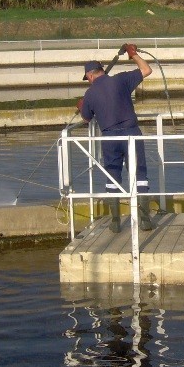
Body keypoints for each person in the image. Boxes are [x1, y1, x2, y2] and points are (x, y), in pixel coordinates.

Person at [76, 43, 154, 233]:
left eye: (87, 79)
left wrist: (81, 106)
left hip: (110, 138)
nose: (88, 81)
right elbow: (146, 69)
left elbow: (86, 118)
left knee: (113, 176)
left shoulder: (90, 93)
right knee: (140, 175)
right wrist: (133, 54)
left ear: (91, 75)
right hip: (131, 132)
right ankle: (144, 220)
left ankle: (115, 222)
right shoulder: (121, 80)